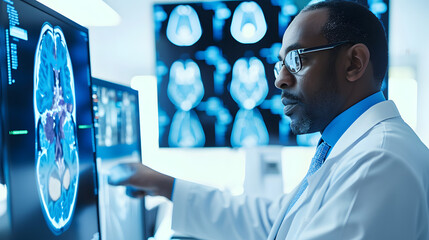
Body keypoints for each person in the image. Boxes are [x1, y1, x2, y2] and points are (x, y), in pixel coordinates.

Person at [108, 1, 429, 239]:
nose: (280, 81)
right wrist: (165, 185)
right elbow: (274, 222)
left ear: (354, 63)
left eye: (296, 59)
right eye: (280, 66)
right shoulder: (349, 149)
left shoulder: (377, 163)